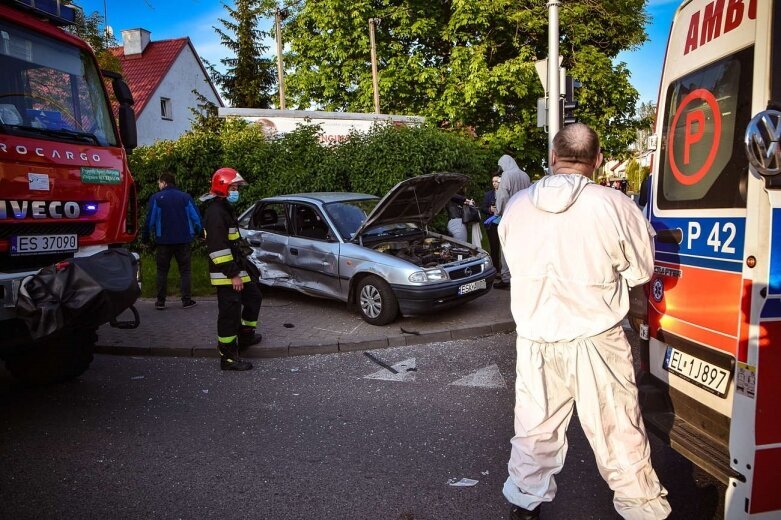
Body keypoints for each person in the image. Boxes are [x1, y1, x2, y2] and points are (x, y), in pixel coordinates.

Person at [498, 123, 670, 520]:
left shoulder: (517, 206)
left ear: (553, 158)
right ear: (597, 160)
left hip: (536, 338)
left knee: (534, 428)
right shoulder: (613, 205)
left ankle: (525, 506)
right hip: (596, 337)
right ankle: (641, 510)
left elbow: (513, 262)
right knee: (617, 431)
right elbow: (641, 271)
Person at [202, 167, 262, 371]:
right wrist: (234, 274)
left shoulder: (224, 208)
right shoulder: (215, 213)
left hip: (237, 268)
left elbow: (234, 241)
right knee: (230, 314)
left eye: (237, 187)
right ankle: (228, 358)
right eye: (234, 187)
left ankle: (245, 338)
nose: (237, 191)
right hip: (226, 274)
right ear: (223, 187)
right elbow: (218, 249)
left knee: (254, 297)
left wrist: (245, 262)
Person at [141, 172, 202, 310]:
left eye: (159, 183)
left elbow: (150, 221)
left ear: (164, 182)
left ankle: (161, 301)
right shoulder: (185, 197)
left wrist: (145, 238)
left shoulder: (156, 198)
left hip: (163, 241)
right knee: (185, 271)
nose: (158, 185)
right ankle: (186, 300)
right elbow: (196, 218)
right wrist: (200, 233)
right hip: (184, 239)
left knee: (162, 271)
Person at [494, 155, 531, 289]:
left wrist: (498, 211)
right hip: (524, 215)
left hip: (510, 216)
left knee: (506, 247)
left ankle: (506, 278)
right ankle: (521, 274)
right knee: (522, 247)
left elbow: (503, 196)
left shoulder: (506, 175)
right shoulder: (525, 175)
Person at [481, 174, 502, 269]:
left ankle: (506, 269)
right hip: (492, 224)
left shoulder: (505, 194)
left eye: (496, 181)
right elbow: (483, 208)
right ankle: (496, 269)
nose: (494, 183)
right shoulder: (488, 194)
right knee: (494, 247)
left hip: (503, 223)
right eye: (493, 181)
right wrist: (490, 209)